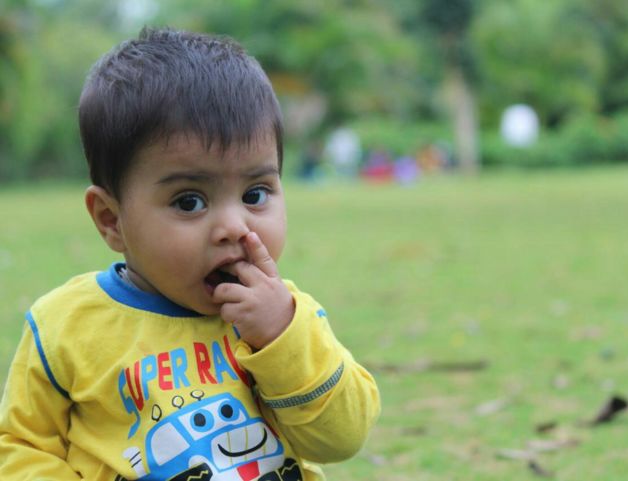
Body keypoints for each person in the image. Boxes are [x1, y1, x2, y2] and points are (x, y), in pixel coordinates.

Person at [0, 27, 380, 481]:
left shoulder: (290, 319)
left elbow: (343, 439)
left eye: (255, 194)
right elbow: (20, 448)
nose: (235, 226)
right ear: (111, 219)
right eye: (189, 202)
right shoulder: (67, 327)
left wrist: (283, 338)